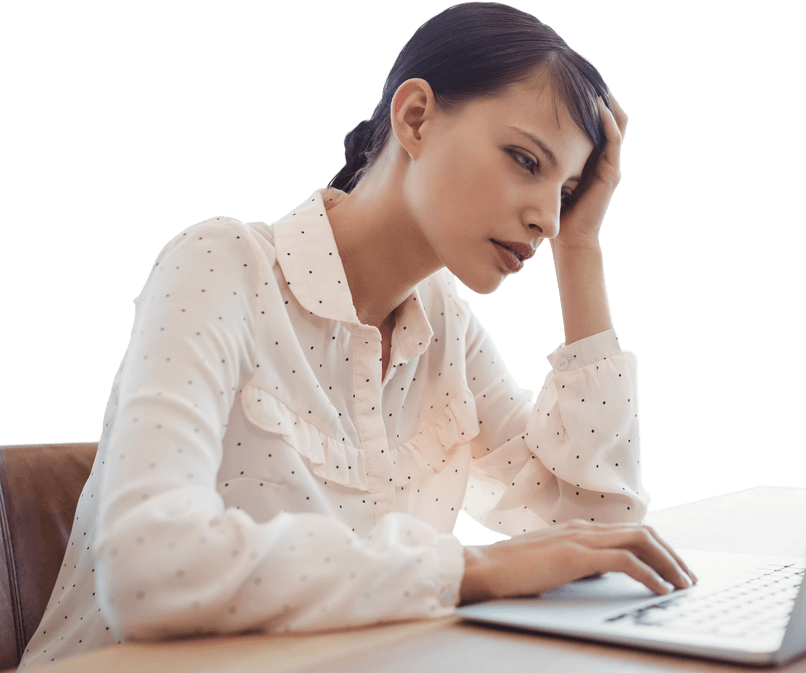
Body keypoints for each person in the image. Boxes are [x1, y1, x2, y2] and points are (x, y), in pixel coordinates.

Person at [19, 2, 696, 668]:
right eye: (525, 160)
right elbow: (148, 572)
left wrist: (582, 250)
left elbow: (600, 530)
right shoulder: (221, 266)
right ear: (416, 117)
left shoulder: (444, 324)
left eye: (568, 190)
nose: (546, 216)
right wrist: (470, 569)